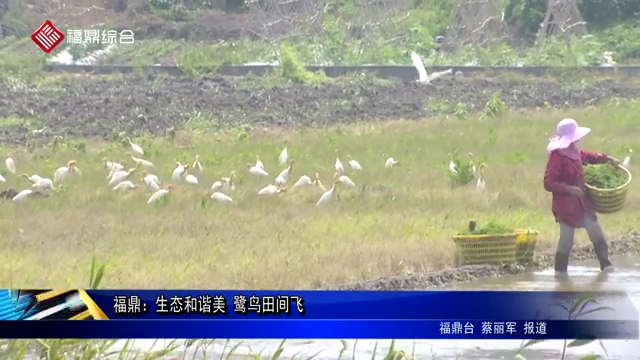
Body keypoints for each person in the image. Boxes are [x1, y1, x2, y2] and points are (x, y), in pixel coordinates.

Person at [543, 118, 619, 273]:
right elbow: (548, 182)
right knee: (566, 241)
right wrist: (569, 189)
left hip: (582, 203)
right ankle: (560, 274)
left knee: (595, 231)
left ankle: (606, 267)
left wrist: (607, 158)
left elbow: (589, 157)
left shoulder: (574, 150)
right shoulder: (557, 157)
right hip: (566, 207)